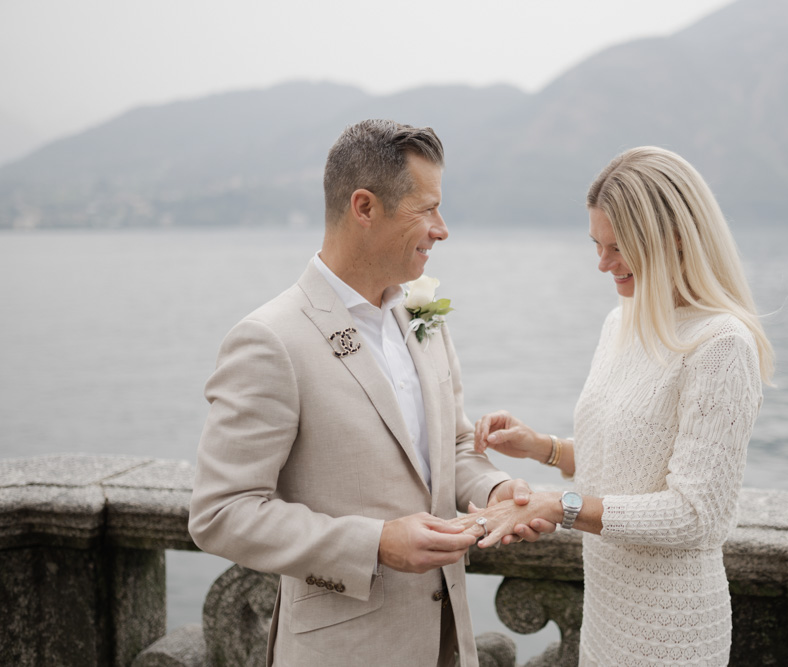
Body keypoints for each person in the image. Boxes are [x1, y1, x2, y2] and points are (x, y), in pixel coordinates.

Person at [188, 119, 539, 667]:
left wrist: (495, 491)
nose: (442, 229)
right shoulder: (269, 339)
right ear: (365, 207)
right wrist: (374, 543)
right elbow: (221, 512)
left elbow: (454, 446)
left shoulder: (423, 312)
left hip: (449, 644)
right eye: (427, 209)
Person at [455, 146, 774, 666]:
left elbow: (696, 513)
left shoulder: (721, 344)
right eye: (596, 245)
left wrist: (558, 507)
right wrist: (543, 447)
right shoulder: (620, 323)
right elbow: (630, 459)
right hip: (607, 611)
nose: (601, 264)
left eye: (617, 247)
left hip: (673, 628)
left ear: (674, 238)